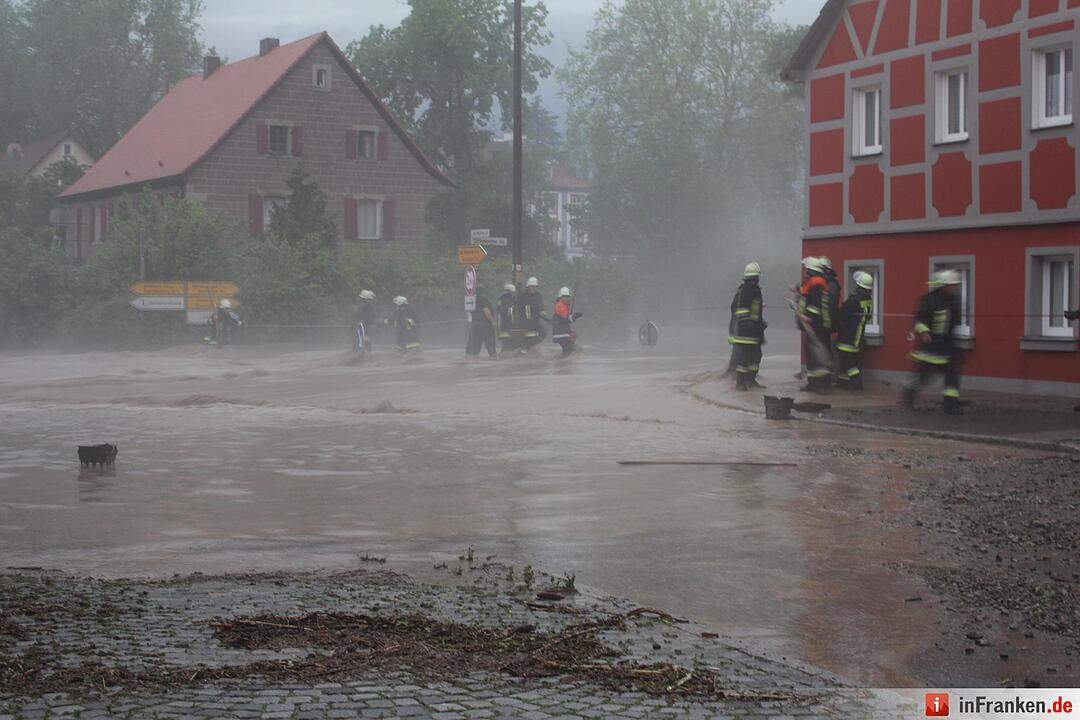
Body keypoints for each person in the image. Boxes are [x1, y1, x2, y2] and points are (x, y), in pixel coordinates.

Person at [903, 270, 964, 415]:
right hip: (929, 348)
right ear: (942, 285)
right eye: (950, 285)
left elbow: (955, 321)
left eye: (954, 285)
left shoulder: (954, 301)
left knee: (953, 375)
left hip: (947, 347)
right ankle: (908, 395)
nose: (953, 288)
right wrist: (924, 332)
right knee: (922, 377)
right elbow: (919, 319)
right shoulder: (929, 300)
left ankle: (951, 405)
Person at [797, 257, 833, 393]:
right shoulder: (818, 283)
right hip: (819, 324)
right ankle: (817, 384)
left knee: (814, 355)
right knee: (815, 354)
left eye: (807, 271)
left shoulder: (816, 285)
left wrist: (806, 317)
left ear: (811, 271)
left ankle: (818, 385)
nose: (806, 273)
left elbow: (814, 307)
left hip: (816, 325)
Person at [729, 262, 766, 391]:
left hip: (741, 331)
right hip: (751, 332)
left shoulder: (740, 291)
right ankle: (746, 381)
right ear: (756, 277)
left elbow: (734, 309)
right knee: (752, 358)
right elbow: (754, 313)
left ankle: (744, 382)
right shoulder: (754, 291)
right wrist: (758, 325)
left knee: (745, 358)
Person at [835, 271, 874, 390]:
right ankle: (842, 382)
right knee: (845, 360)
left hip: (848, 335)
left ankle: (857, 382)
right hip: (858, 335)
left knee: (848, 361)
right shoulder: (868, 300)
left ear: (859, 286)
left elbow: (841, 314)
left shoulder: (854, 300)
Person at [552, 286, 584, 356]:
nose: (566, 298)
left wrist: (573, 317)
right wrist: (574, 316)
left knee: (568, 351)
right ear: (560, 297)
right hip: (561, 334)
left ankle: (560, 362)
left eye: (567, 297)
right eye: (565, 297)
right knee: (574, 350)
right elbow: (566, 318)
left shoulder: (564, 306)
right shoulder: (560, 305)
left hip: (563, 333)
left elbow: (566, 320)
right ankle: (563, 363)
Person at [517, 276, 548, 350]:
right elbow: (518, 310)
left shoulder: (538, 296)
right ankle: (524, 350)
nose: (533, 288)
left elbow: (541, 306)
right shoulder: (522, 297)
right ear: (528, 287)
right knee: (526, 341)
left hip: (536, 323)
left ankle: (529, 349)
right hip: (524, 324)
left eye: (535, 287)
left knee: (542, 333)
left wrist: (543, 312)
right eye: (532, 286)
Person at [466, 286, 497, 357]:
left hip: (474, 325)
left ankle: (472, 355)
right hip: (485, 324)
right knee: (490, 341)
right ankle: (493, 355)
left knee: (474, 343)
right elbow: (486, 311)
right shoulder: (484, 299)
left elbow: (468, 312)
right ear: (483, 292)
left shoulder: (471, 300)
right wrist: (492, 321)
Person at [353, 290, 377, 355]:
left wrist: (363, 322)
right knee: (363, 338)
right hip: (363, 325)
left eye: (362, 298)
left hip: (364, 325)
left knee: (363, 338)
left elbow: (371, 316)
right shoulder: (365, 306)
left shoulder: (368, 307)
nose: (361, 299)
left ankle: (362, 353)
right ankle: (364, 352)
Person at [497, 283, 519, 353]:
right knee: (512, 346)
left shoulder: (500, 299)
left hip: (502, 326)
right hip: (511, 325)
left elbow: (498, 311)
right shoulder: (513, 300)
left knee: (506, 346)